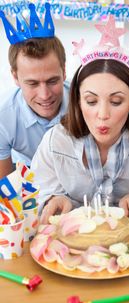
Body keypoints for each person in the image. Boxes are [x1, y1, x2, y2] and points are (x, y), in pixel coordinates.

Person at [31, 16, 129, 225]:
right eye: (91, 101)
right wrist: (54, 200)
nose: (103, 114)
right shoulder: (55, 142)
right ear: (78, 101)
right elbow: (39, 192)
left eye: (117, 101)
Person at [0, 3, 69, 179]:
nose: (45, 95)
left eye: (52, 81)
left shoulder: (86, 101)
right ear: (15, 77)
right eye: (32, 83)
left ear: (64, 71)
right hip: (25, 171)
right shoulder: (3, 116)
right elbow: (4, 191)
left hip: (73, 170)